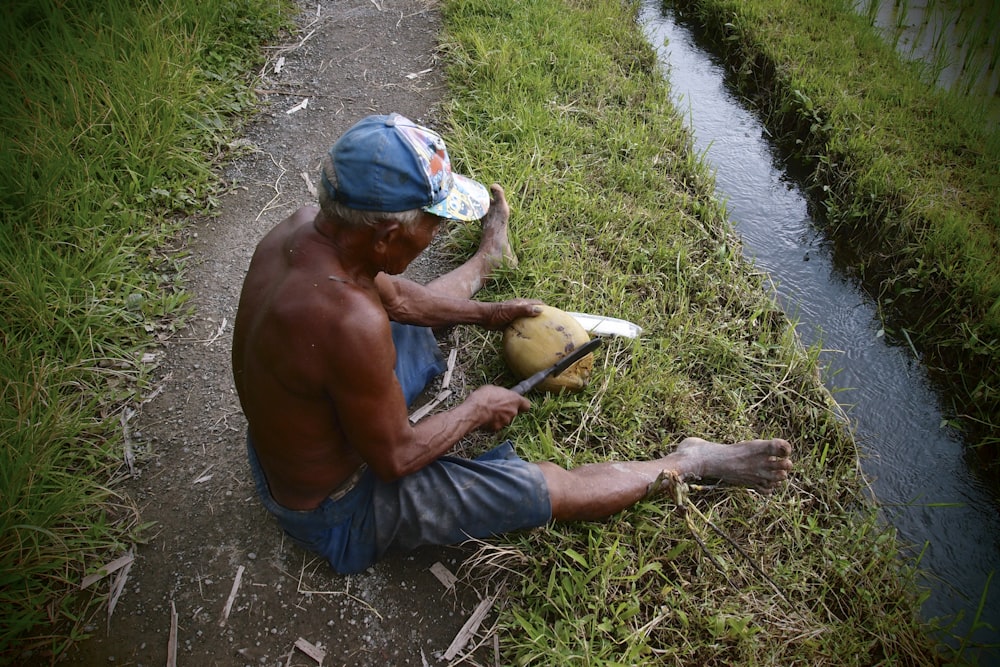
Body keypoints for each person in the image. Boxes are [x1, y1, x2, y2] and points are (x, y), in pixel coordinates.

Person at [231, 113, 793, 574]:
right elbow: (395, 458)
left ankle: (487, 262)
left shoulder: (305, 229)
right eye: (433, 224)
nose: (436, 234)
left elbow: (398, 299)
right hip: (335, 503)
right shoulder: (348, 323)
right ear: (385, 235)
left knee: (398, 313)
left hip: (298, 435)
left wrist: (489, 313)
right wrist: (477, 407)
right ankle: (688, 460)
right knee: (539, 487)